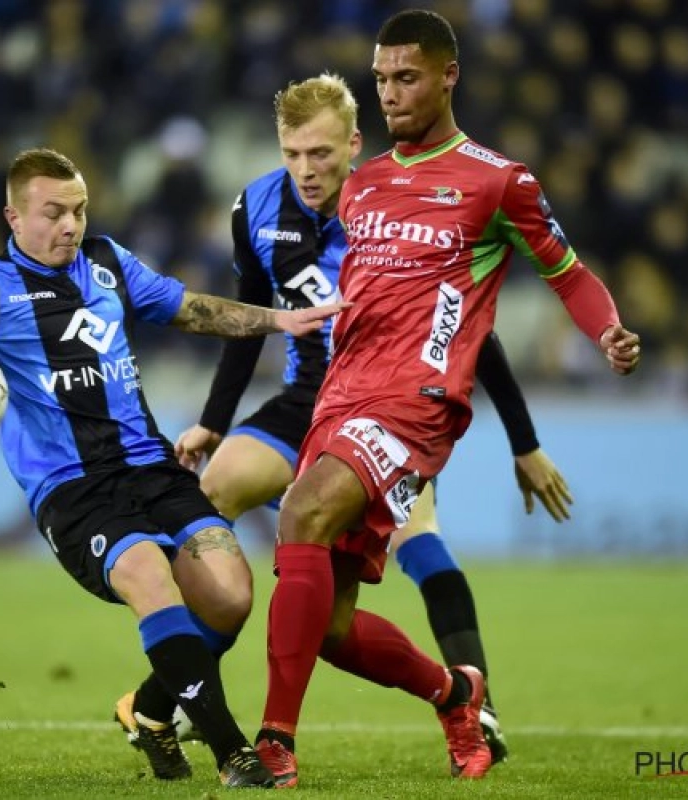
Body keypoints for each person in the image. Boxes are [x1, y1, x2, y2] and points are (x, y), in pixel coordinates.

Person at [0, 147, 347, 790]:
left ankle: (152, 715)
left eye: (78, 210)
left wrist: (280, 319)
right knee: (151, 578)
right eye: (53, 213)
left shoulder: (105, 260)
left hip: (152, 467)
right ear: (14, 217)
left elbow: (190, 308)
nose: (69, 225)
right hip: (73, 490)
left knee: (231, 597)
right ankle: (234, 754)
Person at [116, 72, 573, 768]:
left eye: (321, 154)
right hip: (305, 402)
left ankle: (478, 703)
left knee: (418, 550)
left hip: (389, 406)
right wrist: (212, 422)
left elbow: (475, 332)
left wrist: (525, 442)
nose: (306, 170)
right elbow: (250, 314)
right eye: (293, 154)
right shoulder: (255, 209)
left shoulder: (396, 206)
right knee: (208, 503)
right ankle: (168, 696)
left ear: (353, 145)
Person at [251, 10, 642, 787]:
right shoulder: (361, 188)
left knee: (298, 514)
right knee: (328, 627)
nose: (391, 94)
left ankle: (273, 745)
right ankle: (457, 693)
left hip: (417, 402)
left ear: (448, 75)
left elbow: (567, 273)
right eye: (383, 79)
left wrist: (609, 332)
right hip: (341, 397)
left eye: (407, 78)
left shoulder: (499, 181)